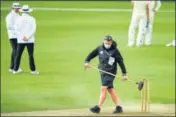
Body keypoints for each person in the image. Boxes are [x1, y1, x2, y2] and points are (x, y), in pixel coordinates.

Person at [84, 35, 128, 114]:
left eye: (108, 43)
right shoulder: (100, 48)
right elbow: (92, 54)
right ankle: (119, 107)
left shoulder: (115, 51)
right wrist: (87, 61)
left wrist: (124, 73)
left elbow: (120, 62)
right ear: (104, 41)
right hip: (103, 72)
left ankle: (98, 107)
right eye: (106, 42)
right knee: (110, 89)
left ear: (111, 42)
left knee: (103, 88)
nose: (107, 44)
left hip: (110, 72)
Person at [13, 5, 39, 75]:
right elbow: (33, 30)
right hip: (30, 40)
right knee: (30, 55)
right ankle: (33, 70)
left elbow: (16, 30)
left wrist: (22, 37)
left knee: (18, 55)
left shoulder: (18, 19)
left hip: (21, 40)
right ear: (28, 11)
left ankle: (15, 69)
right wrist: (27, 37)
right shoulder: (32, 19)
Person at [5, 2, 22, 73]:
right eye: (17, 8)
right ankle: (15, 68)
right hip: (13, 35)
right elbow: (9, 26)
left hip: (17, 35)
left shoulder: (17, 15)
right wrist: (17, 28)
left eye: (18, 8)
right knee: (16, 50)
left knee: (15, 50)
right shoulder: (10, 16)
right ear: (13, 8)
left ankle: (12, 67)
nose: (18, 9)